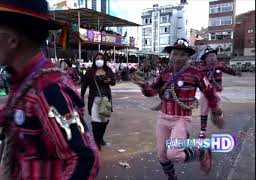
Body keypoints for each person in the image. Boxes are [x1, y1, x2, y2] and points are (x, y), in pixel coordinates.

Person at [0, 0, 99, 179]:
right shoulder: (27, 81)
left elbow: (85, 159)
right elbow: (9, 117)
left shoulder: (48, 89)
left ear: (13, 40)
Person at [131, 38, 223, 180]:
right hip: (163, 118)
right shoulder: (164, 73)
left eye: (182, 54)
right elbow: (152, 92)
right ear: (170, 55)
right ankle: (172, 178)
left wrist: (216, 111)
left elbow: (209, 91)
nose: (178, 58)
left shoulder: (195, 73)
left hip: (181, 119)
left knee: (173, 154)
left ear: (188, 57)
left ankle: (202, 152)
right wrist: (143, 85)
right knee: (162, 155)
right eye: (175, 54)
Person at [197, 47, 241, 138]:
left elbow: (230, 70)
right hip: (204, 93)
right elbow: (195, 78)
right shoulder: (200, 68)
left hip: (216, 91)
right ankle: (203, 131)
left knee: (215, 110)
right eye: (209, 56)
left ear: (216, 57)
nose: (212, 58)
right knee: (204, 110)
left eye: (213, 55)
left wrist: (236, 72)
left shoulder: (220, 66)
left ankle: (218, 113)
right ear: (205, 59)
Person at [81, 52, 116, 150]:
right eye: (97, 58)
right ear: (94, 60)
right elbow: (84, 86)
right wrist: (81, 97)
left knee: (104, 121)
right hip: (94, 100)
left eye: (101, 58)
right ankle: (96, 142)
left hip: (105, 99)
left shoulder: (108, 70)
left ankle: (100, 138)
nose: (99, 60)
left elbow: (113, 82)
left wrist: (109, 80)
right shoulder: (90, 72)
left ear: (104, 60)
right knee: (96, 122)